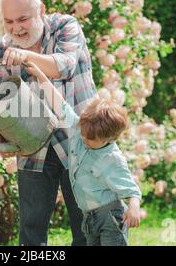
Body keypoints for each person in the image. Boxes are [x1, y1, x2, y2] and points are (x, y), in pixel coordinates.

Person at [0, 0, 96, 246]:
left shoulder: (65, 26)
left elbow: (64, 66)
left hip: (81, 142)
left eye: (23, 19)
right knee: (31, 231)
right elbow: (3, 103)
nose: (17, 28)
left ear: (41, 11)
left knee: (87, 228)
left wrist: (25, 57)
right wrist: (2, 133)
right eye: (9, 21)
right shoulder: (1, 51)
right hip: (33, 147)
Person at [24, 60, 142, 246]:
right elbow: (59, 104)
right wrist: (40, 76)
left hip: (110, 217)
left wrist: (134, 208)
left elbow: (131, 189)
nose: (84, 139)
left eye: (90, 139)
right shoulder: (80, 131)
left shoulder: (112, 159)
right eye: (84, 133)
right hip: (89, 217)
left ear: (109, 139)